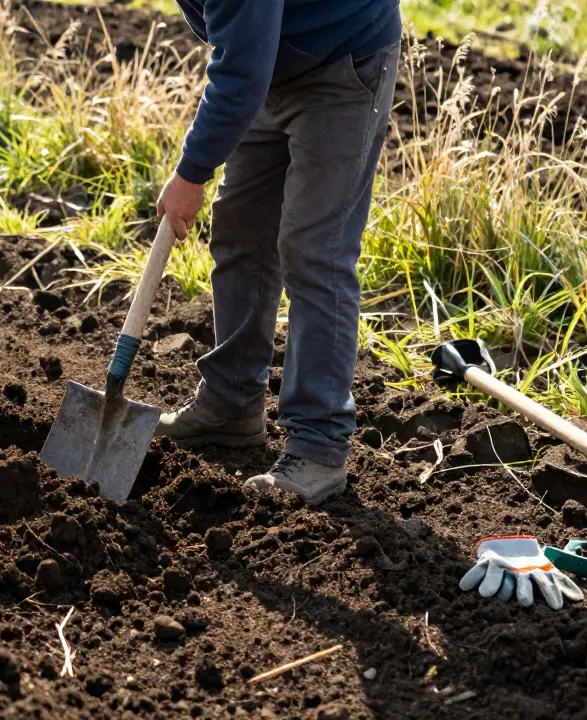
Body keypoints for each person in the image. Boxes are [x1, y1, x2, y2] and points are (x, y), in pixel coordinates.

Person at [154, 0, 402, 506]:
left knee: (315, 250)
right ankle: (232, 402)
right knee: (239, 231)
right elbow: (243, 55)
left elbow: (241, 67)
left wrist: (192, 173)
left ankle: (318, 446)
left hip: (342, 65)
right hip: (270, 65)